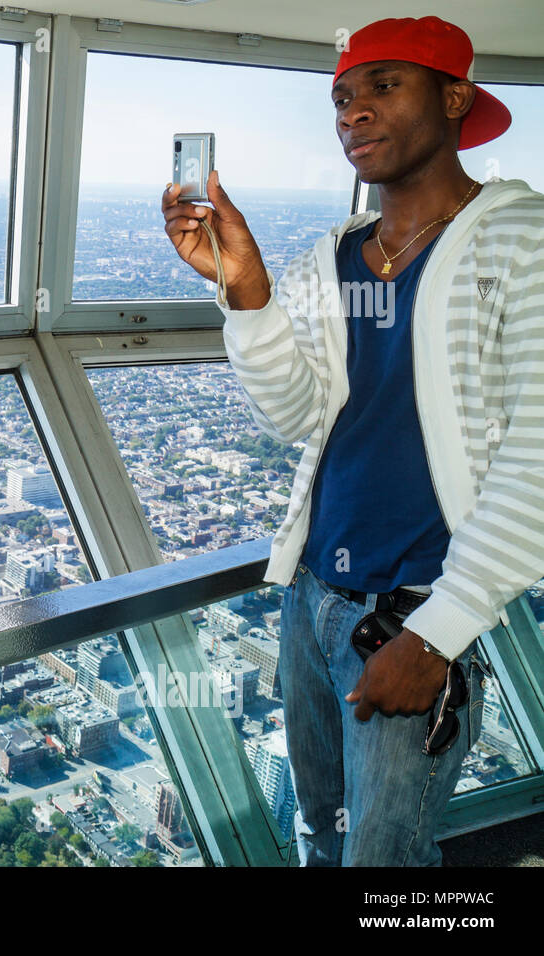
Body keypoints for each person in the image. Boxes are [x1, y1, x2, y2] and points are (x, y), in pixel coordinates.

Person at [161, 15, 544, 865]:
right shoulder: (326, 260)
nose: (353, 113)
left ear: (455, 99)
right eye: (342, 98)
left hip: (414, 611)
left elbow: (539, 456)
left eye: (382, 87)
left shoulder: (525, 241)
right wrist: (249, 291)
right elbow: (298, 415)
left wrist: (440, 630)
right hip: (313, 599)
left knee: (385, 856)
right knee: (321, 830)